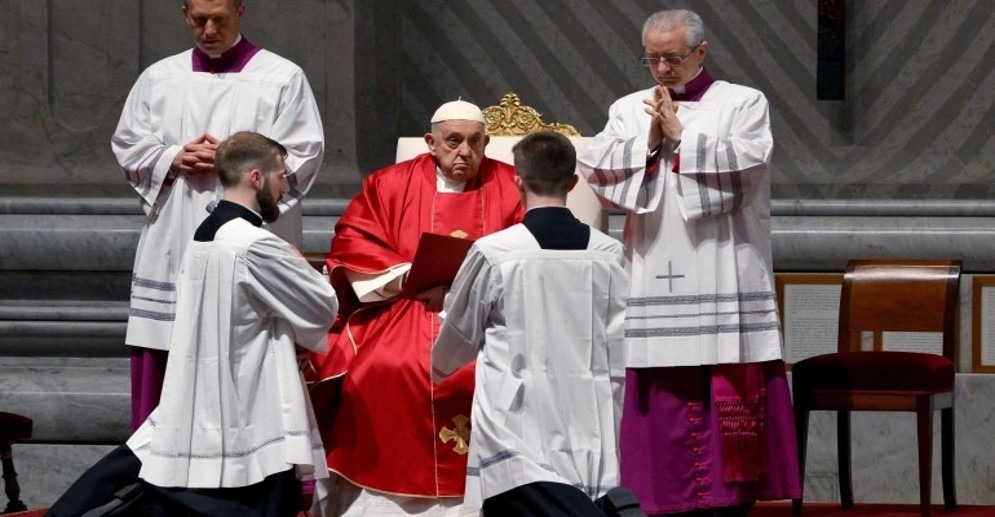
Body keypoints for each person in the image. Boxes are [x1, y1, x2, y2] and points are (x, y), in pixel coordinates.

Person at [576, 8, 802, 517]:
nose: (661, 69)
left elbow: (747, 172)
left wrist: (682, 137)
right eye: (651, 58)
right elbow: (599, 172)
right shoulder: (627, 109)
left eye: (672, 57)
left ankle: (729, 498)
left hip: (725, 265)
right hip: (654, 267)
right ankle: (660, 495)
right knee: (661, 393)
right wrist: (649, 142)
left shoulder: (743, 102)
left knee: (726, 374)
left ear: (701, 52)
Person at [48, 132, 338, 517]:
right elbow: (321, 308)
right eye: (281, 175)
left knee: (135, 473)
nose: (284, 186)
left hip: (202, 387)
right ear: (256, 177)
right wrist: (301, 262)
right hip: (246, 398)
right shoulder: (256, 244)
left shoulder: (204, 234)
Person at [304, 100, 524, 516]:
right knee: (378, 369)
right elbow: (354, 238)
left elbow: (530, 248)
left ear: (487, 143)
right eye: (453, 141)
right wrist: (405, 276)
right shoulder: (388, 184)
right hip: (404, 305)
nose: (465, 153)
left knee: (492, 370)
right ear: (430, 142)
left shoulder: (514, 183)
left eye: (475, 143)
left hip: (489, 312)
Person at [114, 0, 325, 431]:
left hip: (247, 240)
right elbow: (129, 144)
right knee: (169, 352)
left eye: (220, 19)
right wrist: (173, 156)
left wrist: (233, 158)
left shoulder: (282, 77)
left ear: (241, 12)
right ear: (184, 15)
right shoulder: (159, 78)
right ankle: (155, 479)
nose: (209, 30)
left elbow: (303, 155)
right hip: (175, 235)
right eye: (199, 20)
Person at [431, 131, 635, 516]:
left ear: (517, 179)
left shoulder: (495, 252)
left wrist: (439, 364)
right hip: (590, 417)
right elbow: (621, 341)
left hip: (517, 421)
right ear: (574, 182)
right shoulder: (608, 254)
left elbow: (459, 335)